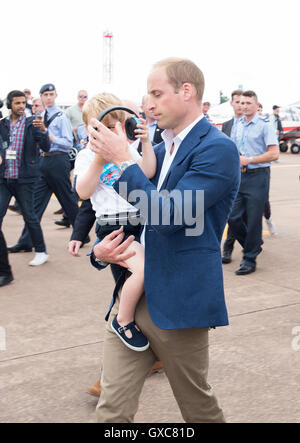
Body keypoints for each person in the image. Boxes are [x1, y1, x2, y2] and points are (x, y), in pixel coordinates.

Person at [88, 58, 240, 423]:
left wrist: (123, 160)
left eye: (157, 94)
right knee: (110, 411)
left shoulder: (216, 149)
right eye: (147, 96)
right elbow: (129, 214)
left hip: (180, 303)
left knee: (198, 409)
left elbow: (170, 216)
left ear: (186, 92)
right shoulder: (159, 148)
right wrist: (100, 252)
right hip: (132, 299)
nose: (148, 104)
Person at [76, 92, 157, 352]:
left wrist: (144, 143)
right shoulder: (87, 156)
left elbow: (148, 172)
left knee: (140, 277)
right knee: (142, 270)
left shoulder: (126, 151)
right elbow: (83, 191)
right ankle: (123, 320)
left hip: (139, 223)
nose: (108, 133)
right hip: (114, 226)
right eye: (101, 128)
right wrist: (100, 159)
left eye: (114, 127)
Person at [8, 84, 79, 254]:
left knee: (68, 200)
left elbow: (68, 143)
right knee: (35, 204)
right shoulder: (36, 117)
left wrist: (49, 135)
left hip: (57, 160)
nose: (48, 97)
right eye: (45, 95)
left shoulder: (60, 116)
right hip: (42, 162)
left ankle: (81, 234)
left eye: (51, 94)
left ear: (56, 95)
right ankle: (26, 241)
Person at [228, 90, 279, 275]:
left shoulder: (265, 125)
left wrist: (250, 159)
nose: (244, 106)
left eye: (248, 103)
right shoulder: (238, 125)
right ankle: (254, 245)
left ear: (257, 106)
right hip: (239, 176)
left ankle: (249, 259)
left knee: (254, 219)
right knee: (232, 217)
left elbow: (274, 153)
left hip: (258, 176)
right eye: (241, 103)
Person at [0, 90, 50, 266]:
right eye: (17, 103)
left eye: (23, 103)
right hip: (4, 178)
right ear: (9, 105)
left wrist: (43, 130)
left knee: (30, 216)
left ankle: (41, 251)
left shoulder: (32, 123)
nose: (21, 106)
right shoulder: (3, 124)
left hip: (25, 179)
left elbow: (46, 147)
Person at [221, 90, 243, 264]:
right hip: (229, 176)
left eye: (243, 102)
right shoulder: (226, 125)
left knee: (250, 216)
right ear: (232, 103)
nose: (240, 105)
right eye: (236, 102)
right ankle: (228, 249)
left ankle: (252, 242)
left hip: (250, 175)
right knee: (233, 216)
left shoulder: (257, 124)